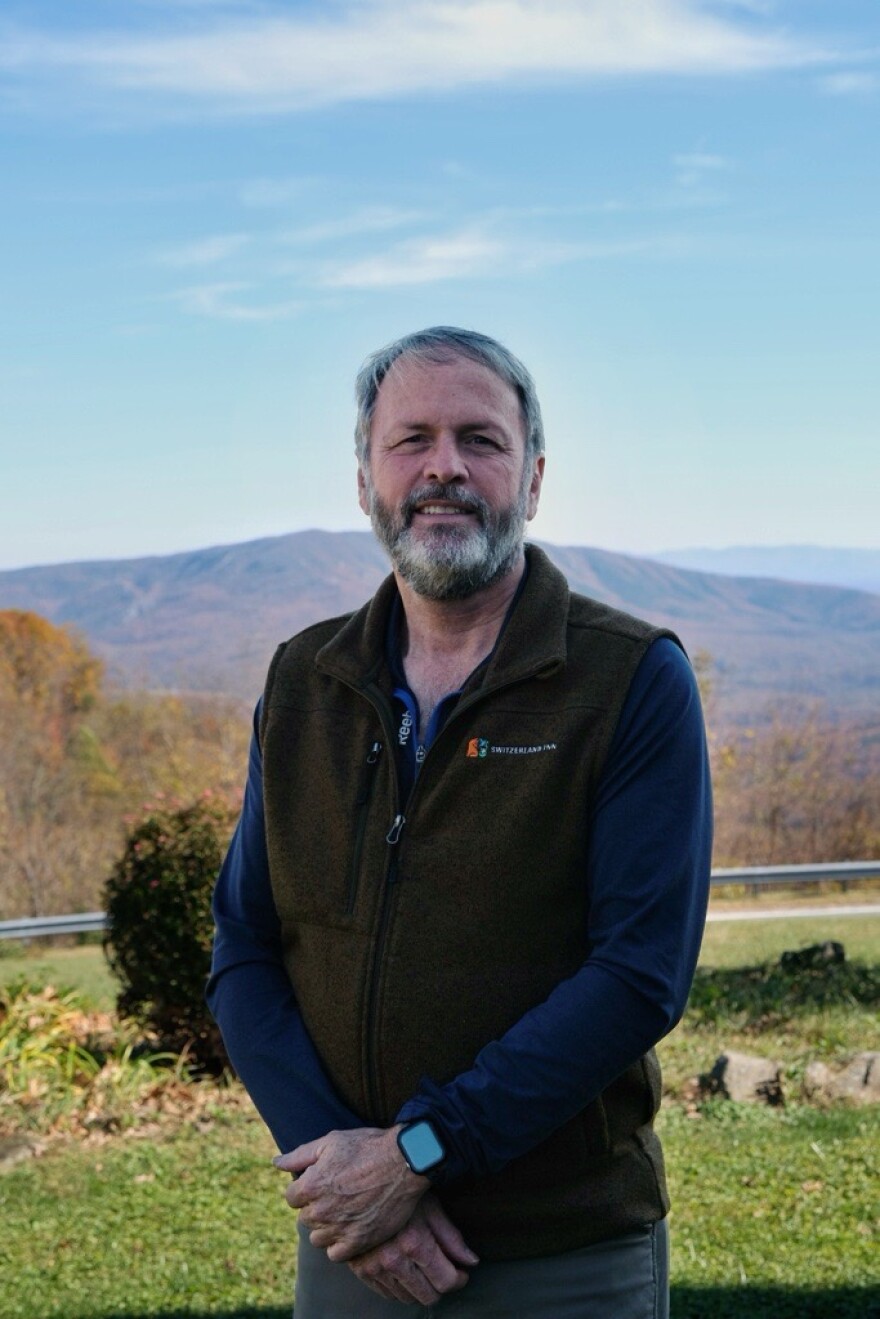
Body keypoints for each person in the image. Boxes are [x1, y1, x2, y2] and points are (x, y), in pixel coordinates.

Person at [207, 326, 712, 1317]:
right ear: (365, 478)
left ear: (532, 478)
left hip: (564, 1253)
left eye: (480, 439)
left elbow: (638, 973)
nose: (444, 466)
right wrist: (343, 1172)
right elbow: (244, 945)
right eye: (412, 440)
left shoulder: (630, 677)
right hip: (354, 1242)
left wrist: (418, 1152)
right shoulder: (303, 681)